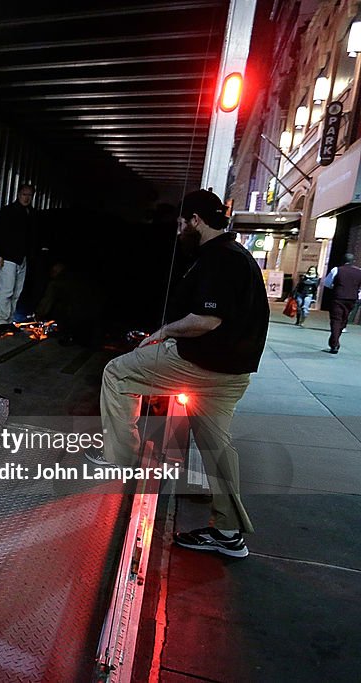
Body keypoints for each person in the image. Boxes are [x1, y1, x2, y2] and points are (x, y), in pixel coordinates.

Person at [87, 190, 269, 558]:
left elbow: (206, 319)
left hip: (201, 365)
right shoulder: (239, 257)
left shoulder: (219, 259)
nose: (180, 229)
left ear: (197, 220)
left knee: (117, 373)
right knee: (217, 448)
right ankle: (230, 533)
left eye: (183, 223)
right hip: (231, 375)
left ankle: (120, 457)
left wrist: (165, 332)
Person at [0, 184, 35, 328]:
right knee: (7, 290)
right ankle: (2, 320)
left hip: (22, 258)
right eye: (24, 194)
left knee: (17, 291)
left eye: (29, 195)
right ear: (18, 194)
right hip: (8, 257)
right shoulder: (8, 211)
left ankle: (9, 320)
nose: (27, 198)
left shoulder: (31, 214)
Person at [325, 253, 361, 354]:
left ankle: (334, 344)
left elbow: (327, 283)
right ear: (353, 261)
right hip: (352, 299)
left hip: (338, 297)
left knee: (336, 320)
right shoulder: (359, 272)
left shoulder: (337, 270)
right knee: (344, 320)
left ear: (342, 260)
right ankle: (335, 340)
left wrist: (336, 287)